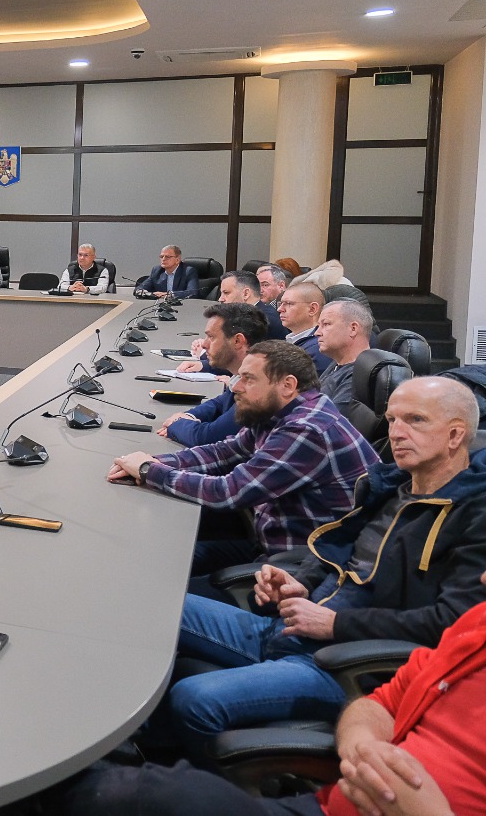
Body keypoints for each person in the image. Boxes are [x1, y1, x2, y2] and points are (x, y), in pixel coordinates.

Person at [149, 376, 486, 762]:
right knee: (152, 605)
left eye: (416, 420)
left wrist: (335, 625)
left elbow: (453, 624)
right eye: (393, 420)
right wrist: (300, 582)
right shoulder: (393, 486)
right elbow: (339, 551)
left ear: (455, 435)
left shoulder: (475, 515)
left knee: (194, 698)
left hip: (347, 664)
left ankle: (201, 782)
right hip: (292, 628)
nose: (396, 432)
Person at [34, 570, 486, 816]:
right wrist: (359, 745)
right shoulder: (477, 624)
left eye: (415, 427)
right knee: (152, 600)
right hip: (330, 798)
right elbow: (381, 703)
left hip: (331, 649)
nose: (482, 579)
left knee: (155, 789)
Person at [108, 341, 376, 577]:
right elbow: (223, 452)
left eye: (248, 379)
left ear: (287, 385)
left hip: (298, 569)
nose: (235, 387)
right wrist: (154, 461)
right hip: (269, 543)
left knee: (158, 583)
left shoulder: (307, 429)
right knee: (159, 560)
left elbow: (229, 491)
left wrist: (149, 470)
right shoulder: (278, 411)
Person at [159, 304, 269, 448]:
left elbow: (208, 437)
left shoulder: (258, 388)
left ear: (237, 341)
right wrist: (189, 416)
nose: (204, 344)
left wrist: (177, 424)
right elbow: (220, 402)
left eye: (211, 337)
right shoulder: (243, 376)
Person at [317, 299, 376, 406]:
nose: (317, 333)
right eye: (319, 326)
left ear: (353, 329)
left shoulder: (359, 375)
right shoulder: (337, 364)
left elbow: (332, 416)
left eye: (326, 324)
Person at [278, 281, 332, 373]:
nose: (280, 309)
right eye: (280, 304)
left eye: (289, 303)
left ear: (312, 309)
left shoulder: (319, 349)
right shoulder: (293, 341)